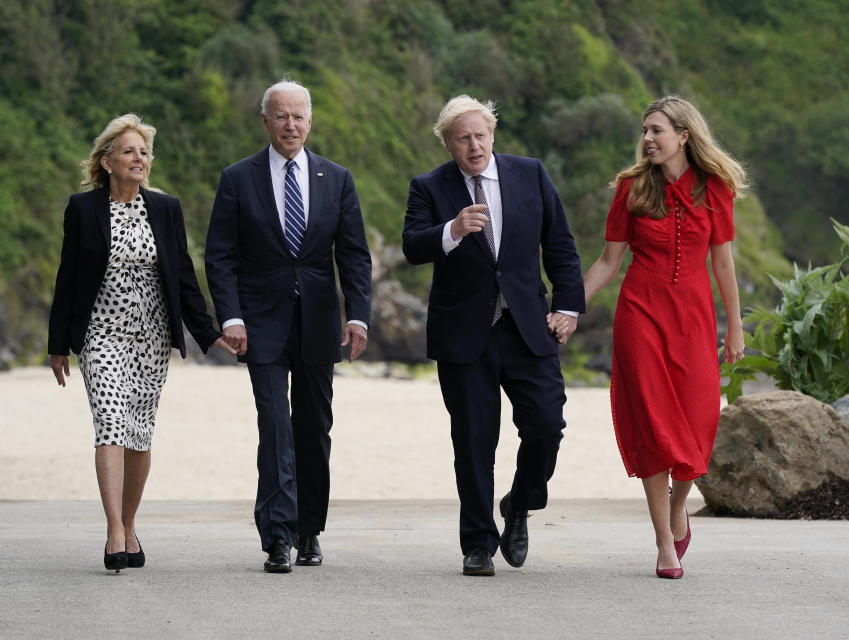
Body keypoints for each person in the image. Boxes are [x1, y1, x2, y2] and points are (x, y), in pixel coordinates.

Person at [402, 96, 585, 576]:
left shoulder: (530, 174)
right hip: (464, 333)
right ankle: (478, 545)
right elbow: (412, 245)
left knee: (547, 426)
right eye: (462, 137)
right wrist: (452, 229)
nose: (473, 144)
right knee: (474, 441)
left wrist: (567, 307)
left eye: (480, 134)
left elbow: (561, 246)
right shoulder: (429, 187)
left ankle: (520, 503)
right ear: (448, 144)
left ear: (493, 135)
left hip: (528, 328)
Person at [48, 114, 235, 573]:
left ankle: (131, 524)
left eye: (145, 152)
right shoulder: (83, 209)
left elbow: (183, 277)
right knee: (111, 421)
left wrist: (209, 332)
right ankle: (114, 531)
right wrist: (58, 345)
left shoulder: (166, 209)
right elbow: (68, 277)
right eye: (130, 151)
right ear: (108, 160)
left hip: (151, 337)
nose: (139, 159)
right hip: (101, 333)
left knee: (139, 432)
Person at [205, 80, 372, 573]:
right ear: (265, 122)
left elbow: (355, 256)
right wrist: (231, 316)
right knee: (275, 427)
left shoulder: (336, 178)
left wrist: (358, 314)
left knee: (314, 430)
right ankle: (277, 536)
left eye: (299, 116)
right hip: (260, 325)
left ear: (310, 121)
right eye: (281, 116)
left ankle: (309, 530)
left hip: (321, 323)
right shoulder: (238, 179)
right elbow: (220, 257)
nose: (291, 125)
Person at [581, 95, 746, 579]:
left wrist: (734, 325)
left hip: (693, 321)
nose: (648, 139)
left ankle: (679, 508)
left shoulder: (715, 189)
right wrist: (569, 307)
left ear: (683, 137)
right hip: (640, 317)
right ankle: (663, 543)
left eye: (657, 130)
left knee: (698, 428)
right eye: (645, 130)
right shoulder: (631, 189)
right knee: (653, 428)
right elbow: (609, 263)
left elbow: (723, 263)